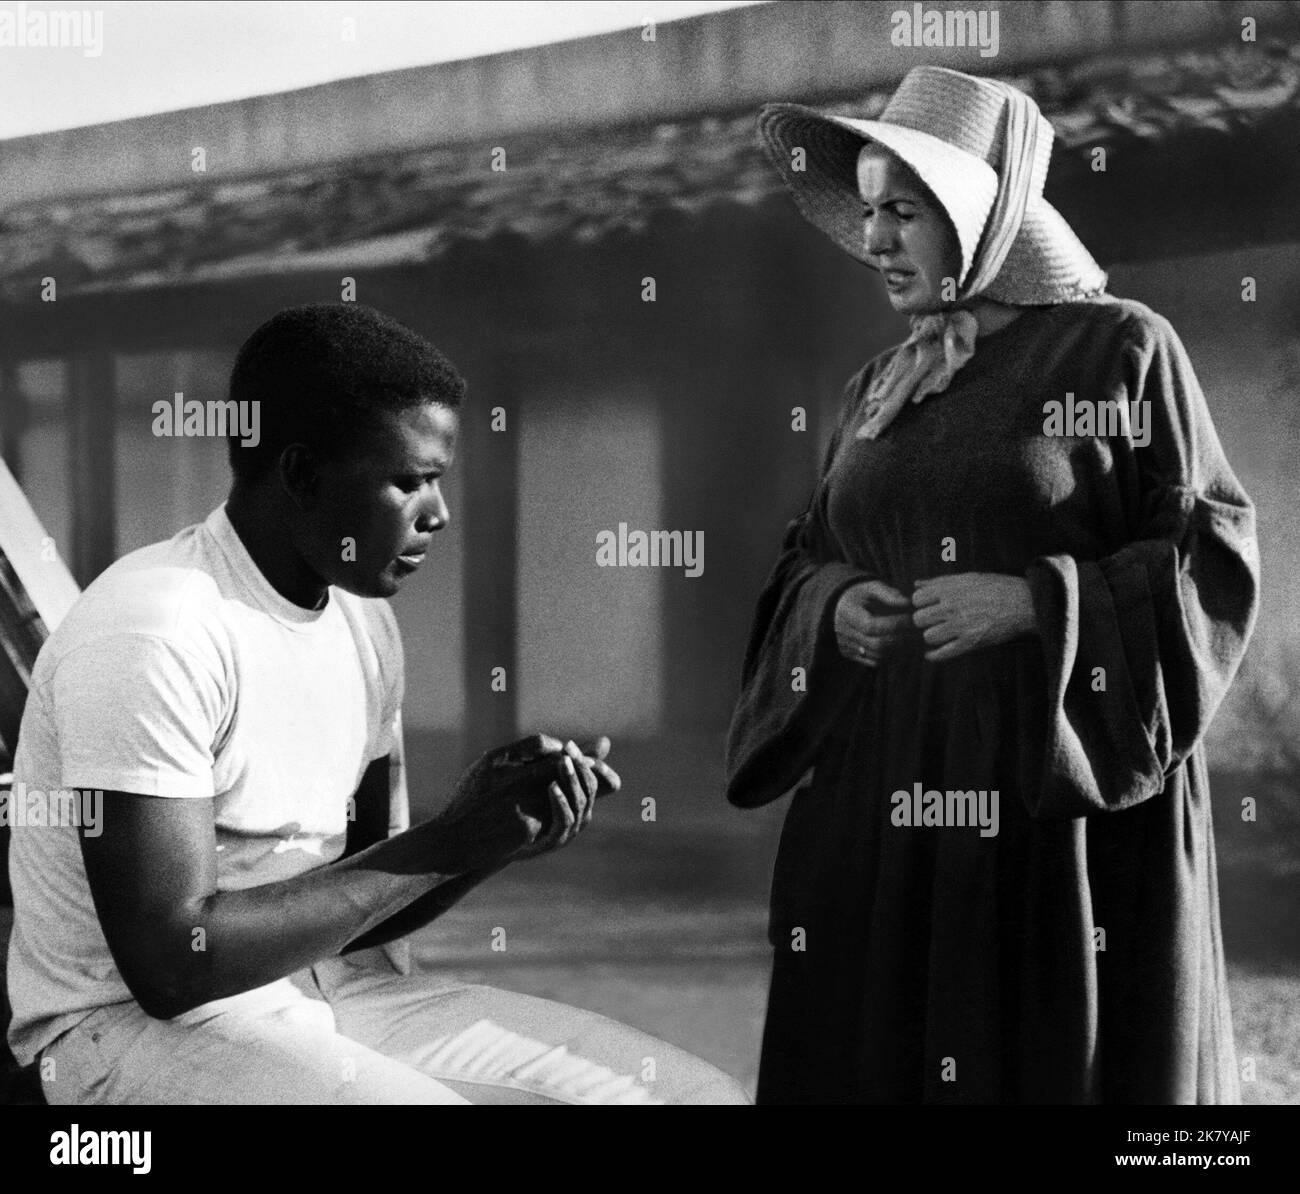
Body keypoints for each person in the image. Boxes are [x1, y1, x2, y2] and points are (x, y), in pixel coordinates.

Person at [6, 303, 747, 1105]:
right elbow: (172, 964)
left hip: (328, 993)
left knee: (689, 1095)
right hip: (119, 1037)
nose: (439, 514)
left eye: (440, 481)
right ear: (301, 474)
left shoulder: (365, 624)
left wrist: (493, 833)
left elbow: (366, 903)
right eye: (410, 481)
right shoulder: (158, 629)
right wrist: (449, 838)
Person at [726, 66, 1258, 1104]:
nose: (874, 240)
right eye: (870, 211)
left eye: (904, 213)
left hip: (1050, 772)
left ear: (976, 215)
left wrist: (1035, 605)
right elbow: (806, 552)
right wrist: (835, 607)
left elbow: (1207, 554)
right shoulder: (881, 383)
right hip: (888, 783)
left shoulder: (1119, 351)